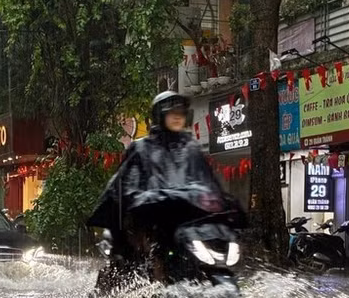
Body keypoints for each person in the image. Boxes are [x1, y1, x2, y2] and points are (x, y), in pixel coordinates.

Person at [87, 90, 243, 281]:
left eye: (181, 113)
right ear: (160, 115)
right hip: (152, 224)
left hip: (189, 224)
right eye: (172, 113)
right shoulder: (141, 148)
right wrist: (153, 200)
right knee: (148, 254)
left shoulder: (191, 148)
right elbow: (127, 190)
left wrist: (225, 204)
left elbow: (209, 184)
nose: (178, 117)